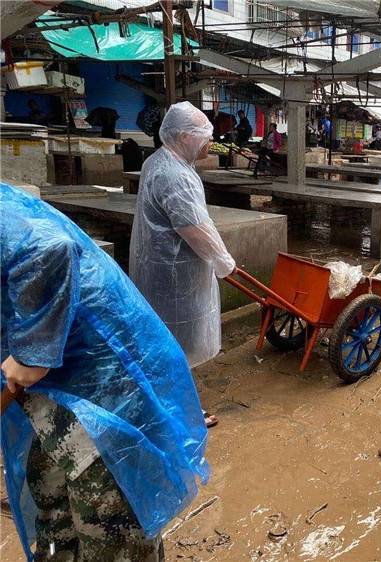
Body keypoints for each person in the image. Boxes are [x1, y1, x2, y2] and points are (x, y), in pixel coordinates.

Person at [1, 182, 209, 561]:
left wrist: (32, 352)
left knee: (112, 525)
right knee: (51, 510)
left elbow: (48, 247)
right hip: (52, 398)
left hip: (105, 392)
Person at [130, 102, 236, 393]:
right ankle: (182, 412)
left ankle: (169, 404)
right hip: (175, 274)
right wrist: (222, 259)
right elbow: (194, 228)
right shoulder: (174, 175)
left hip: (159, 265)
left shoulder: (159, 161)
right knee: (180, 343)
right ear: (186, 137)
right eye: (206, 134)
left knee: (163, 343)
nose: (211, 141)